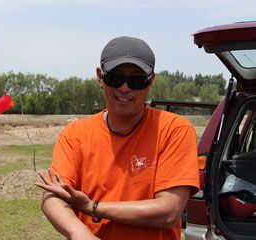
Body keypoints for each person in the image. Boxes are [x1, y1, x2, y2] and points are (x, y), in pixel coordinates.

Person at [35, 36, 200, 240]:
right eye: (115, 78)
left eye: (136, 81)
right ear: (99, 77)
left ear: (151, 81)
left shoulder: (174, 130)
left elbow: (168, 211)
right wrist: (79, 233)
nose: (124, 88)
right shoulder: (75, 135)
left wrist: (92, 207)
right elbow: (53, 196)